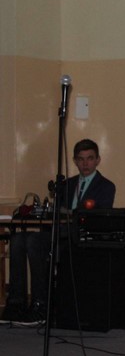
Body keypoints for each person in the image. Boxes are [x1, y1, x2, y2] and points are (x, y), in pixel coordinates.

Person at [0, 139, 116, 325]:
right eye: (81, 159)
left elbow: (99, 215)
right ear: (75, 161)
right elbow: (55, 212)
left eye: (89, 158)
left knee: (33, 242)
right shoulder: (66, 185)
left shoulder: (106, 186)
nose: (85, 164)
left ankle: (40, 305)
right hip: (58, 233)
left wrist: (69, 212)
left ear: (98, 160)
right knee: (18, 239)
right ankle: (16, 303)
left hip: (79, 239)